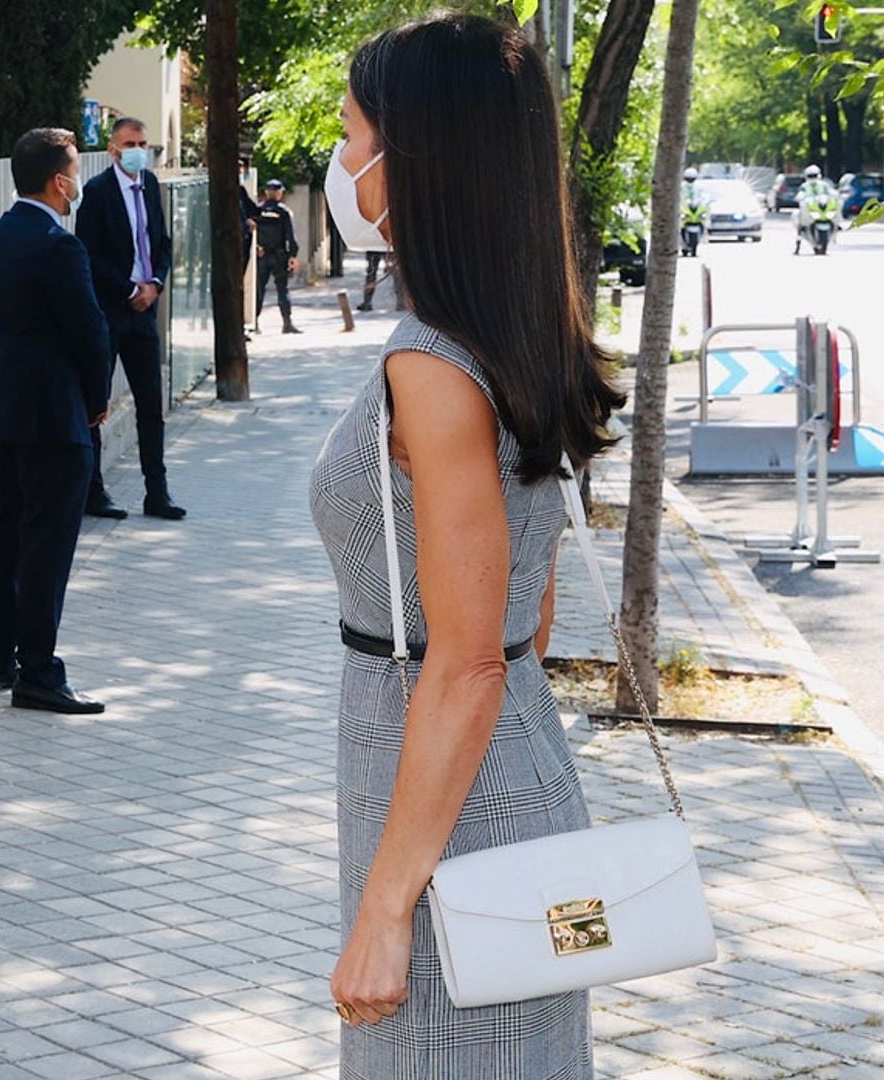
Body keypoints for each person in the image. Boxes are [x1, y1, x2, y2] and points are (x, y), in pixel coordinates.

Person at [308, 13, 624, 1077]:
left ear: (418, 159)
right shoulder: (519, 329)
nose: (342, 163)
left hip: (447, 809)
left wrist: (387, 910)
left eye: (354, 137)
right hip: (517, 774)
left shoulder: (432, 363)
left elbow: (472, 653)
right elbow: (523, 615)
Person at [0, 128, 114, 714]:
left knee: (5, 535)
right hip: (56, 416)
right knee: (47, 547)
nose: (77, 181)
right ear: (60, 181)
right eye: (74, 170)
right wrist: (98, 397)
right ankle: (39, 670)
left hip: (6, 408)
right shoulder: (60, 246)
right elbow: (89, 330)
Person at [75, 117, 185, 521]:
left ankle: (157, 493)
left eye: (143, 142)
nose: (138, 149)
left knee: (150, 406)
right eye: (130, 143)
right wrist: (128, 288)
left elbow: (162, 243)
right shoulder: (97, 192)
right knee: (96, 403)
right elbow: (88, 254)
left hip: (145, 312)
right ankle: (94, 492)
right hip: (111, 311)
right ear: (113, 149)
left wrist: (155, 282)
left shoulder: (150, 185)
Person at [253, 179, 301, 333]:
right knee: (282, 289)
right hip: (279, 256)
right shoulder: (284, 212)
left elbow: (251, 232)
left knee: (258, 289)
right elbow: (291, 237)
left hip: (261, 255)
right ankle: (287, 323)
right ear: (279, 193)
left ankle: (254, 322)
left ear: (267, 193)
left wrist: (255, 248)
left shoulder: (257, 211)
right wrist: (293, 256)